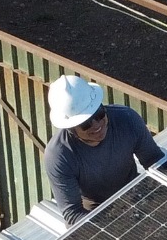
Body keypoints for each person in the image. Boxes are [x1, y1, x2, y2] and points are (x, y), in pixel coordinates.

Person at [43, 73, 160, 224]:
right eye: (85, 124)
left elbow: (155, 161)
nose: (97, 125)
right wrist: (112, 228)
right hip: (97, 210)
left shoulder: (127, 119)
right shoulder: (59, 155)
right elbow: (73, 214)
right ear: (71, 129)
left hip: (135, 191)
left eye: (99, 114)